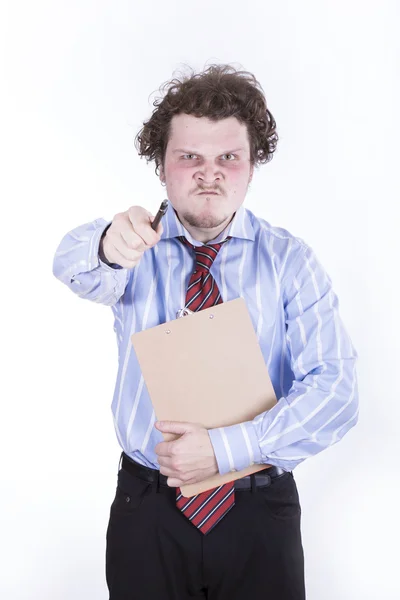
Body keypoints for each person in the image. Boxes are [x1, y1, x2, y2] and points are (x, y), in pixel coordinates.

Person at [53, 64, 359, 599]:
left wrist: (225, 449)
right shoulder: (132, 249)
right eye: (189, 156)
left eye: (228, 158)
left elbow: (336, 391)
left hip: (258, 508)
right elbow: (72, 266)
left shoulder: (290, 261)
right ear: (162, 166)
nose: (208, 172)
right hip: (147, 511)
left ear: (251, 167)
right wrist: (106, 242)